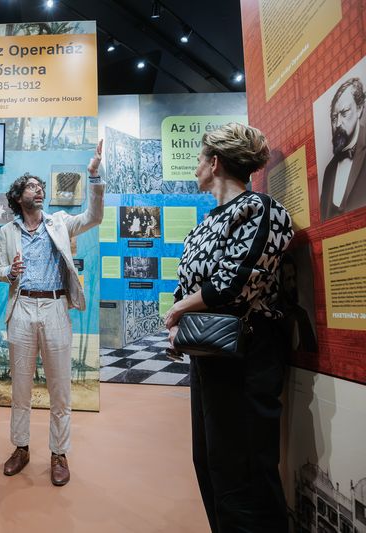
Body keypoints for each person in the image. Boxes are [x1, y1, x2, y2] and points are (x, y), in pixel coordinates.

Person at [163, 123, 294, 533]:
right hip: (208, 355)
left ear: (215, 162)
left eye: (199, 159)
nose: (195, 168)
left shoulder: (261, 210)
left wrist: (178, 311)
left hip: (247, 356)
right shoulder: (206, 222)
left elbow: (232, 283)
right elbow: (189, 283)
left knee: (245, 471)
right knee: (211, 463)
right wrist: (181, 320)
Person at [0, 141, 106, 486]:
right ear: (19, 197)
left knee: (60, 386)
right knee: (21, 386)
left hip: (56, 306)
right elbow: (0, 269)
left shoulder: (59, 222)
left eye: (41, 186)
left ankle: (59, 453)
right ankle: (21, 448)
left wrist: (94, 176)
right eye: (32, 186)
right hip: (22, 307)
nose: (39, 190)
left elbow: (94, 217)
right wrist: (10, 272)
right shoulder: (7, 231)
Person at [319, 77, 366, 221]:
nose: (338, 123)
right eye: (334, 118)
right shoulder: (329, 171)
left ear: (359, 109)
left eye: (345, 112)